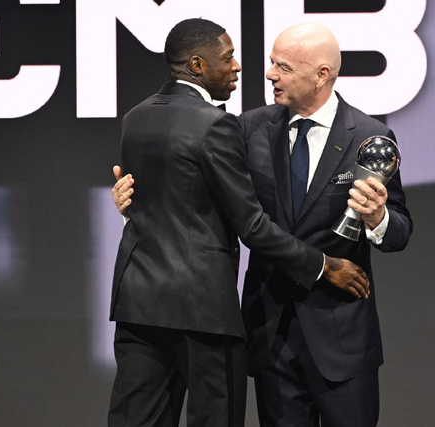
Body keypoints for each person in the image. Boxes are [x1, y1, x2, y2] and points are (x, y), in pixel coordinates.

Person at [107, 19, 370, 427]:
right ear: (197, 65)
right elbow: (252, 225)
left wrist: (128, 206)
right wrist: (323, 265)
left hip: (137, 301)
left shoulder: (135, 118)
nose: (238, 66)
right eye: (228, 57)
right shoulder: (216, 123)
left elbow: (166, 196)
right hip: (204, 309)